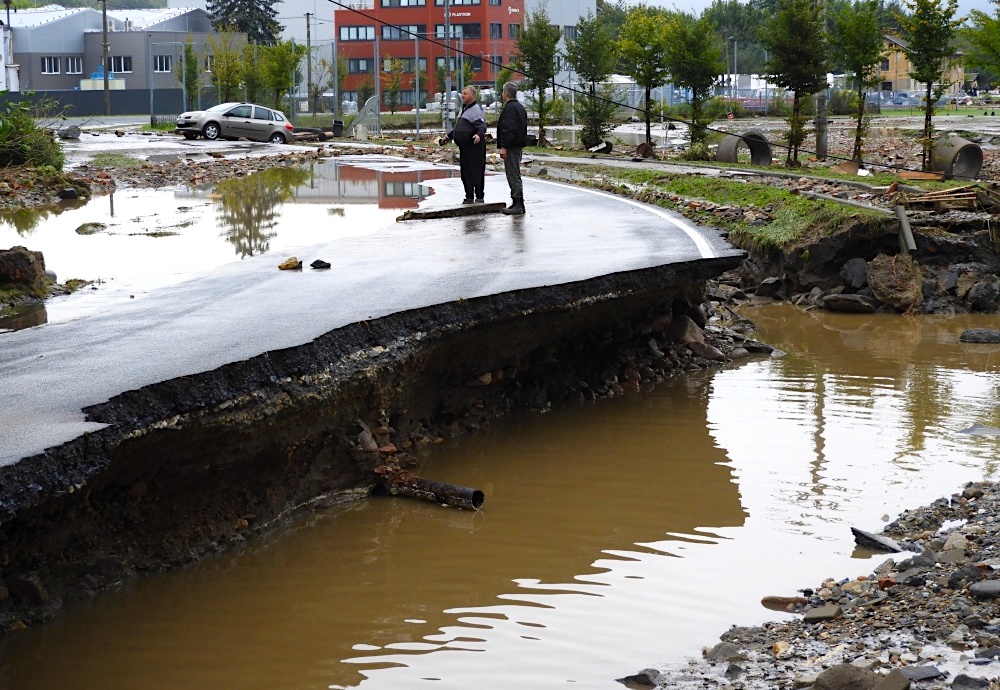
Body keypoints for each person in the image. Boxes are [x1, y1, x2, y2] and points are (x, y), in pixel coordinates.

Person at [441, 86, 487, 204]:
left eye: (465, 94)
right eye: (462, 93)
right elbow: (458, 128)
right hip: (464, 148)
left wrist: (479, 135)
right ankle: (469, 196)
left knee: (476, 172)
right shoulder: (464, 109)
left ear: (473, 95)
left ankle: (479, 197)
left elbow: (482, 125)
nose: (463, 95)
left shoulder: (476, 109)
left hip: (474, 148)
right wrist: (448, 137)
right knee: (465, 173)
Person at [496, 81, 528, 215]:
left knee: (513, 174)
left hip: (511, 147)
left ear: (505, 94)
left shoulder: (510, 109)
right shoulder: (520, 107)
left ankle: (518, 203)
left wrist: (504, 146)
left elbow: (509, 129)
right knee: (515, 173)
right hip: (518, 145)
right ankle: (516, 202)